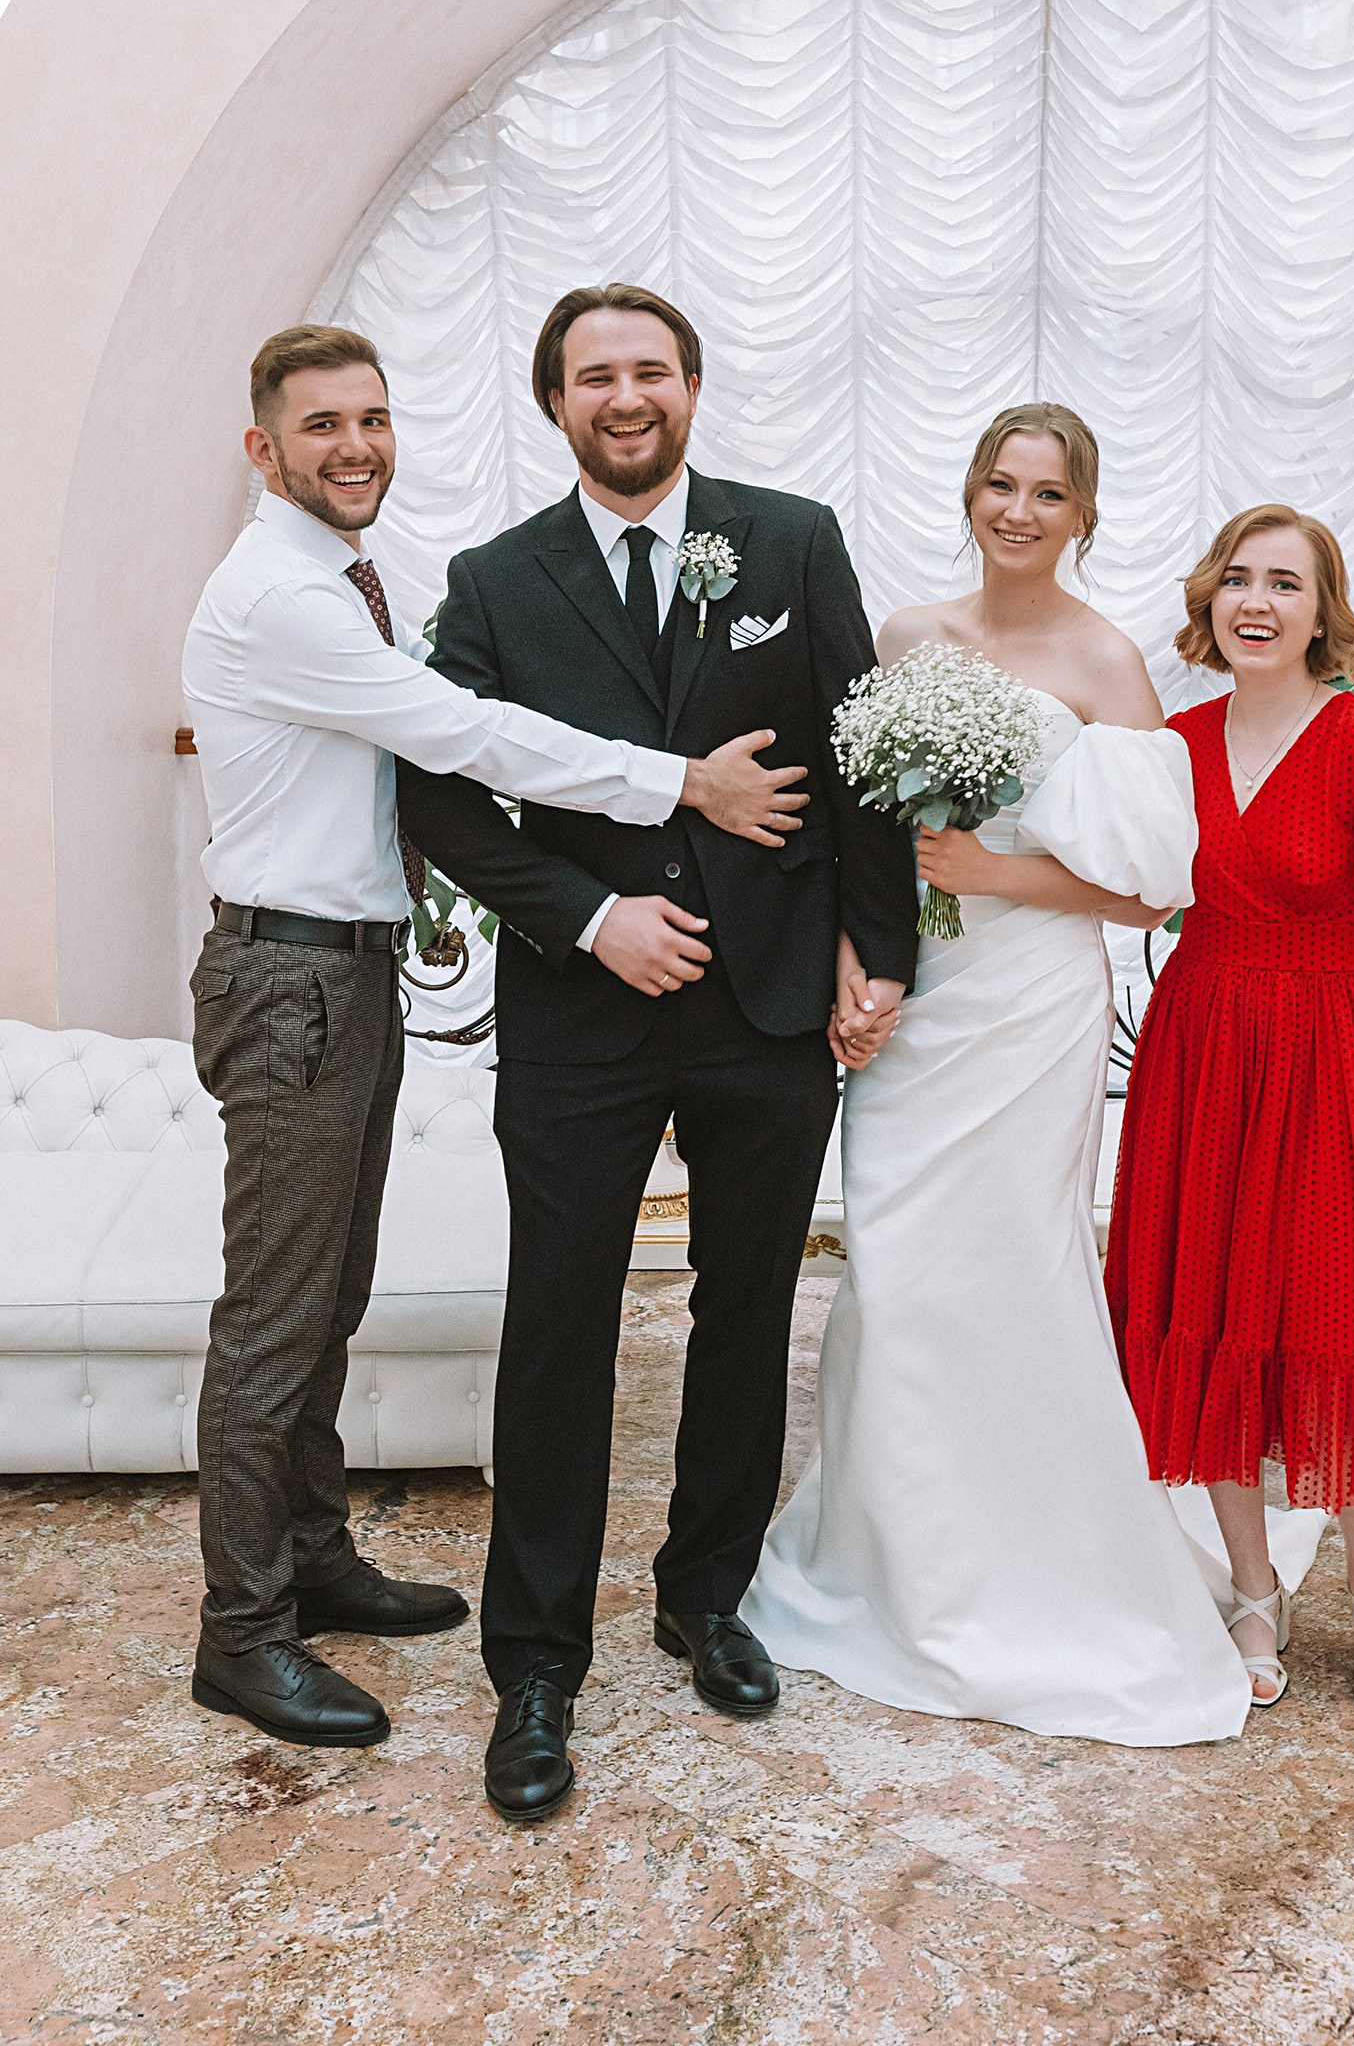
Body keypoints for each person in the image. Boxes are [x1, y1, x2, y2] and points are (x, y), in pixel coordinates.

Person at [183, 322, 806, 1753]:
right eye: (322, 425)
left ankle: (315, 1559)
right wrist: (684, 786)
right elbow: (469, 739)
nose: (356, 446)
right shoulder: (279, 599)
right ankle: (243, 1631)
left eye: (373, 418)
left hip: (341, 971)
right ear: (262, 448)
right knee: (276, 1316)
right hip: (290, 976)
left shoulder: (332, 579)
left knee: (326, 1296)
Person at [395, 282, 920, 1822]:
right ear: (554, 403)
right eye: (593, 377)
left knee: (748, 1309)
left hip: (769, 1002)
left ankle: (706, 1596)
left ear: (691, 386)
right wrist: (586, 918)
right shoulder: (496, 582)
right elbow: (436, 790)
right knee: (559, 1323)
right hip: (583, 1014)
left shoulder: (791, 541)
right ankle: (535, 1663)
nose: (624, 397)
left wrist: (879, 949)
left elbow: (864, 758)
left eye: (649, 371)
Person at [742, 405, 1256, 1745]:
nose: (1018, 512)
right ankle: (891, 1564)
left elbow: (1153, 891)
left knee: (1015, 1267)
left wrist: (994, 872)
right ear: (970, 495)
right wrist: (859, 969)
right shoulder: (906, 637)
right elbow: (860, 842)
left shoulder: (1106, 659)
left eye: (1047, 493)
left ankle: (1042, 1565)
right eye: (999, 485)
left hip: (1031, 1004)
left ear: (1083, 516)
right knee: (898, 1273)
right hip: (919, 1009)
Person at [1104, 505, 1354, 1711]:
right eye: (1237, 580)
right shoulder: (1174, 746)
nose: (1255, 602)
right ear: (1209, 602)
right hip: (1200, 1048)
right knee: (1208, 1303)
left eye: (1284, 584)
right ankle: (1251, 1589)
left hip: (1326, 1052)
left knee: (1331, 1311)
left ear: (1322, 614)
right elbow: (1130, 892)